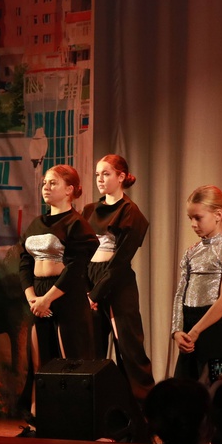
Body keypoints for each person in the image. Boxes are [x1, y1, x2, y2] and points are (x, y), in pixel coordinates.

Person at [18, 165, 98, 423]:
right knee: (38, 360)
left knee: (69, 359)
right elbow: (24, 262)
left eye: (53, 183)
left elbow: (75, 268)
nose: (46, 187)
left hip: (65, 296)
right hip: (37, 297)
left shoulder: (77, 224)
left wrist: (47, 299)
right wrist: (32, 297)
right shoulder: (36, 223)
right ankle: (37, 416)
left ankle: (72, 419)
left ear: (69, 190)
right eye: (44, 183)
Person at [171, 185, 222, 444]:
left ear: (218, 215)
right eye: (190, 218)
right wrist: (177, 330)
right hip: (189, 326)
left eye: (198, 218)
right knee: (184, 393)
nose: (193, 224)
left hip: (214, 327)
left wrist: (196, 331)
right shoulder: (191, 252)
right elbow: (180, 294)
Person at [83, 154, 154, 403]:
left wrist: (96, 293)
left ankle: (142, 406)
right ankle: (97, 405)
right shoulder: (89, 210)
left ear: (121, 176)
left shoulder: (131, 212)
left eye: (106, 174)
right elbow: (80, 252)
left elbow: (121, 260)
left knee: (128, 348)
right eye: (97, 174)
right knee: (92, 349)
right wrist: (86, 288)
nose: (100, 179)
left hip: (116, 282)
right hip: (89, 279)